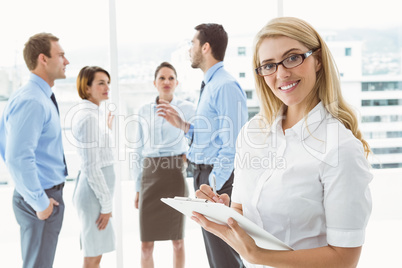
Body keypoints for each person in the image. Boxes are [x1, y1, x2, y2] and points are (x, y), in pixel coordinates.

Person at [192, 17, 373, 268]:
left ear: (317, 59)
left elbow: (344, 258)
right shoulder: (252, 133)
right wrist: (222, 213)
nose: (281, 73)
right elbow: (242, 210)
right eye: (268, 65)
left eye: (292, 58)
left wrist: (259, 256)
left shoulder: (341, 148)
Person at [157, 24, 248, 268]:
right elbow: (214, 133)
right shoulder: (211, 84)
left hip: (215, 179)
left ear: (205, 47)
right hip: (204, 175)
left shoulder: (225, 86)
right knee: (216, 253)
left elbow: (233, 143)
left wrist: (213, 185)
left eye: (193, 44)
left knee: (225, 256)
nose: (190, 50)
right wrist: (185, 126)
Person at [0, 33, 69, 268]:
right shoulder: (32, 100)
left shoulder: (36, 96)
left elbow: (7, 147)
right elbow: (18, 158)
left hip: (43, 195)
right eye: (60, 55)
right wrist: (41, 204)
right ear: (43, 59)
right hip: (42, 198)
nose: (66, 61)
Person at [132, 62, 196, 268]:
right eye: (162, 78)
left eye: (171, 78)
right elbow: (138, 151)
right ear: (154, 82)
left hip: (174, 175)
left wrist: (184, 157)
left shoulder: (188, 108)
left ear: (177, 82)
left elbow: (198, 140)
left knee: (177, 241)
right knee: (145, 245)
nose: (166, 82)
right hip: (149, 176)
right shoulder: (143, 110)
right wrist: (137, 188)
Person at [71, 66, 116, 268]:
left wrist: (106, 130)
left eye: (108, 82)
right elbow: (91, 166)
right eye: (101, 83)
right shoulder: (89, 117)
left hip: (97, 194)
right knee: (93, 256)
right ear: (87, 88)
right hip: (94, 197)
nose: (107, 87)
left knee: (97, 254)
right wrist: (106, 205)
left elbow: (96, 151)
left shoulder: (94, 115)